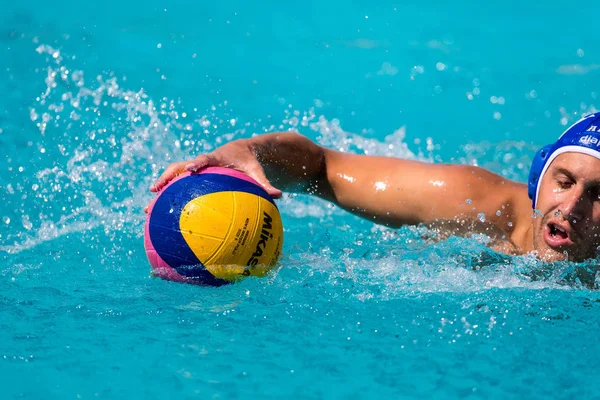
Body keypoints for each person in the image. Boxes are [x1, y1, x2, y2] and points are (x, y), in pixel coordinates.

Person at [149, 112, 600, 263]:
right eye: (563, 182)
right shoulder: (474, 202)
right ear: (537, 181)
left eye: (599, 196)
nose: (572, 207)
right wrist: (253, 152)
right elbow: (321, 167)